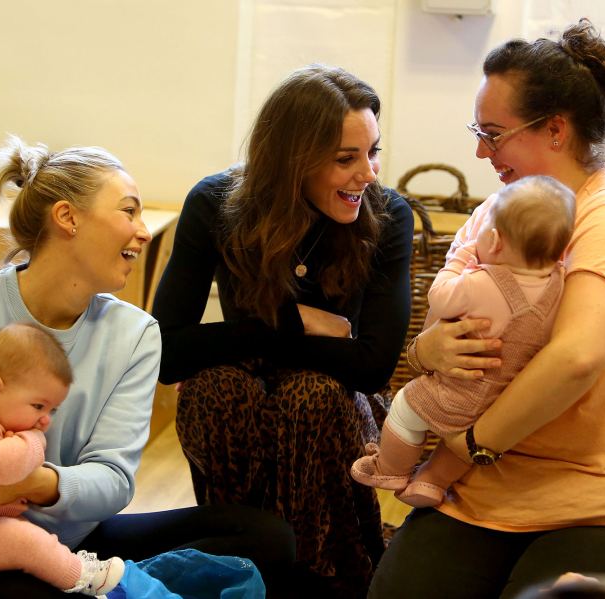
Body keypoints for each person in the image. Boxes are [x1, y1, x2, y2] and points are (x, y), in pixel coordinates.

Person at [0, 136, 295, 598]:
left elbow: (114, 479)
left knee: (266, 539)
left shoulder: (135, 334)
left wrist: (31, 484)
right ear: (67, 217)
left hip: (67, 547)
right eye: (128, 211)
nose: (142, 231)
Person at [369, 19, 605, 598]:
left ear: (555, 130)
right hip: (493, 492)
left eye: (493, 132)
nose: (480, 150)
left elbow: (576, 357)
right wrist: (424, 348)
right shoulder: (491, 217)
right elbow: (447, 332)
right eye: (477, 130)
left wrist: (468, 448)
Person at [152, 64, 414, 596]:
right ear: (292, 159)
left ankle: (323, 577)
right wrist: (293, 324)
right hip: (244, 386)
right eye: (347, 159)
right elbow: (165, 354)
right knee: (217, 388)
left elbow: (372, 367)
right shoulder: (216, 203)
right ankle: (235, 565)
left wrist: (251, 331)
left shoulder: (387, 216)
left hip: (338, 401)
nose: (369, 172)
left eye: (373, 151)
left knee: (311, 396)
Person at [351, 175, 574, 508]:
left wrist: (459, 261)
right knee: (466, 443)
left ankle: (390, 469)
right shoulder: (559, 285)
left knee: (406, 407)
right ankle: (431, 482)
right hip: (500, 402)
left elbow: (440, 298)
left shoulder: (481, 281)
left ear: (495, 242)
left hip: (457, 391)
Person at [0, 322, 126, 595]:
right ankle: (82, 577)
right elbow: (7, 468)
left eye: (51, 410)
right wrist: (34, 439)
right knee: (26, 543)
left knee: (31, 537)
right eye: (39, 406)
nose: (44, 421)